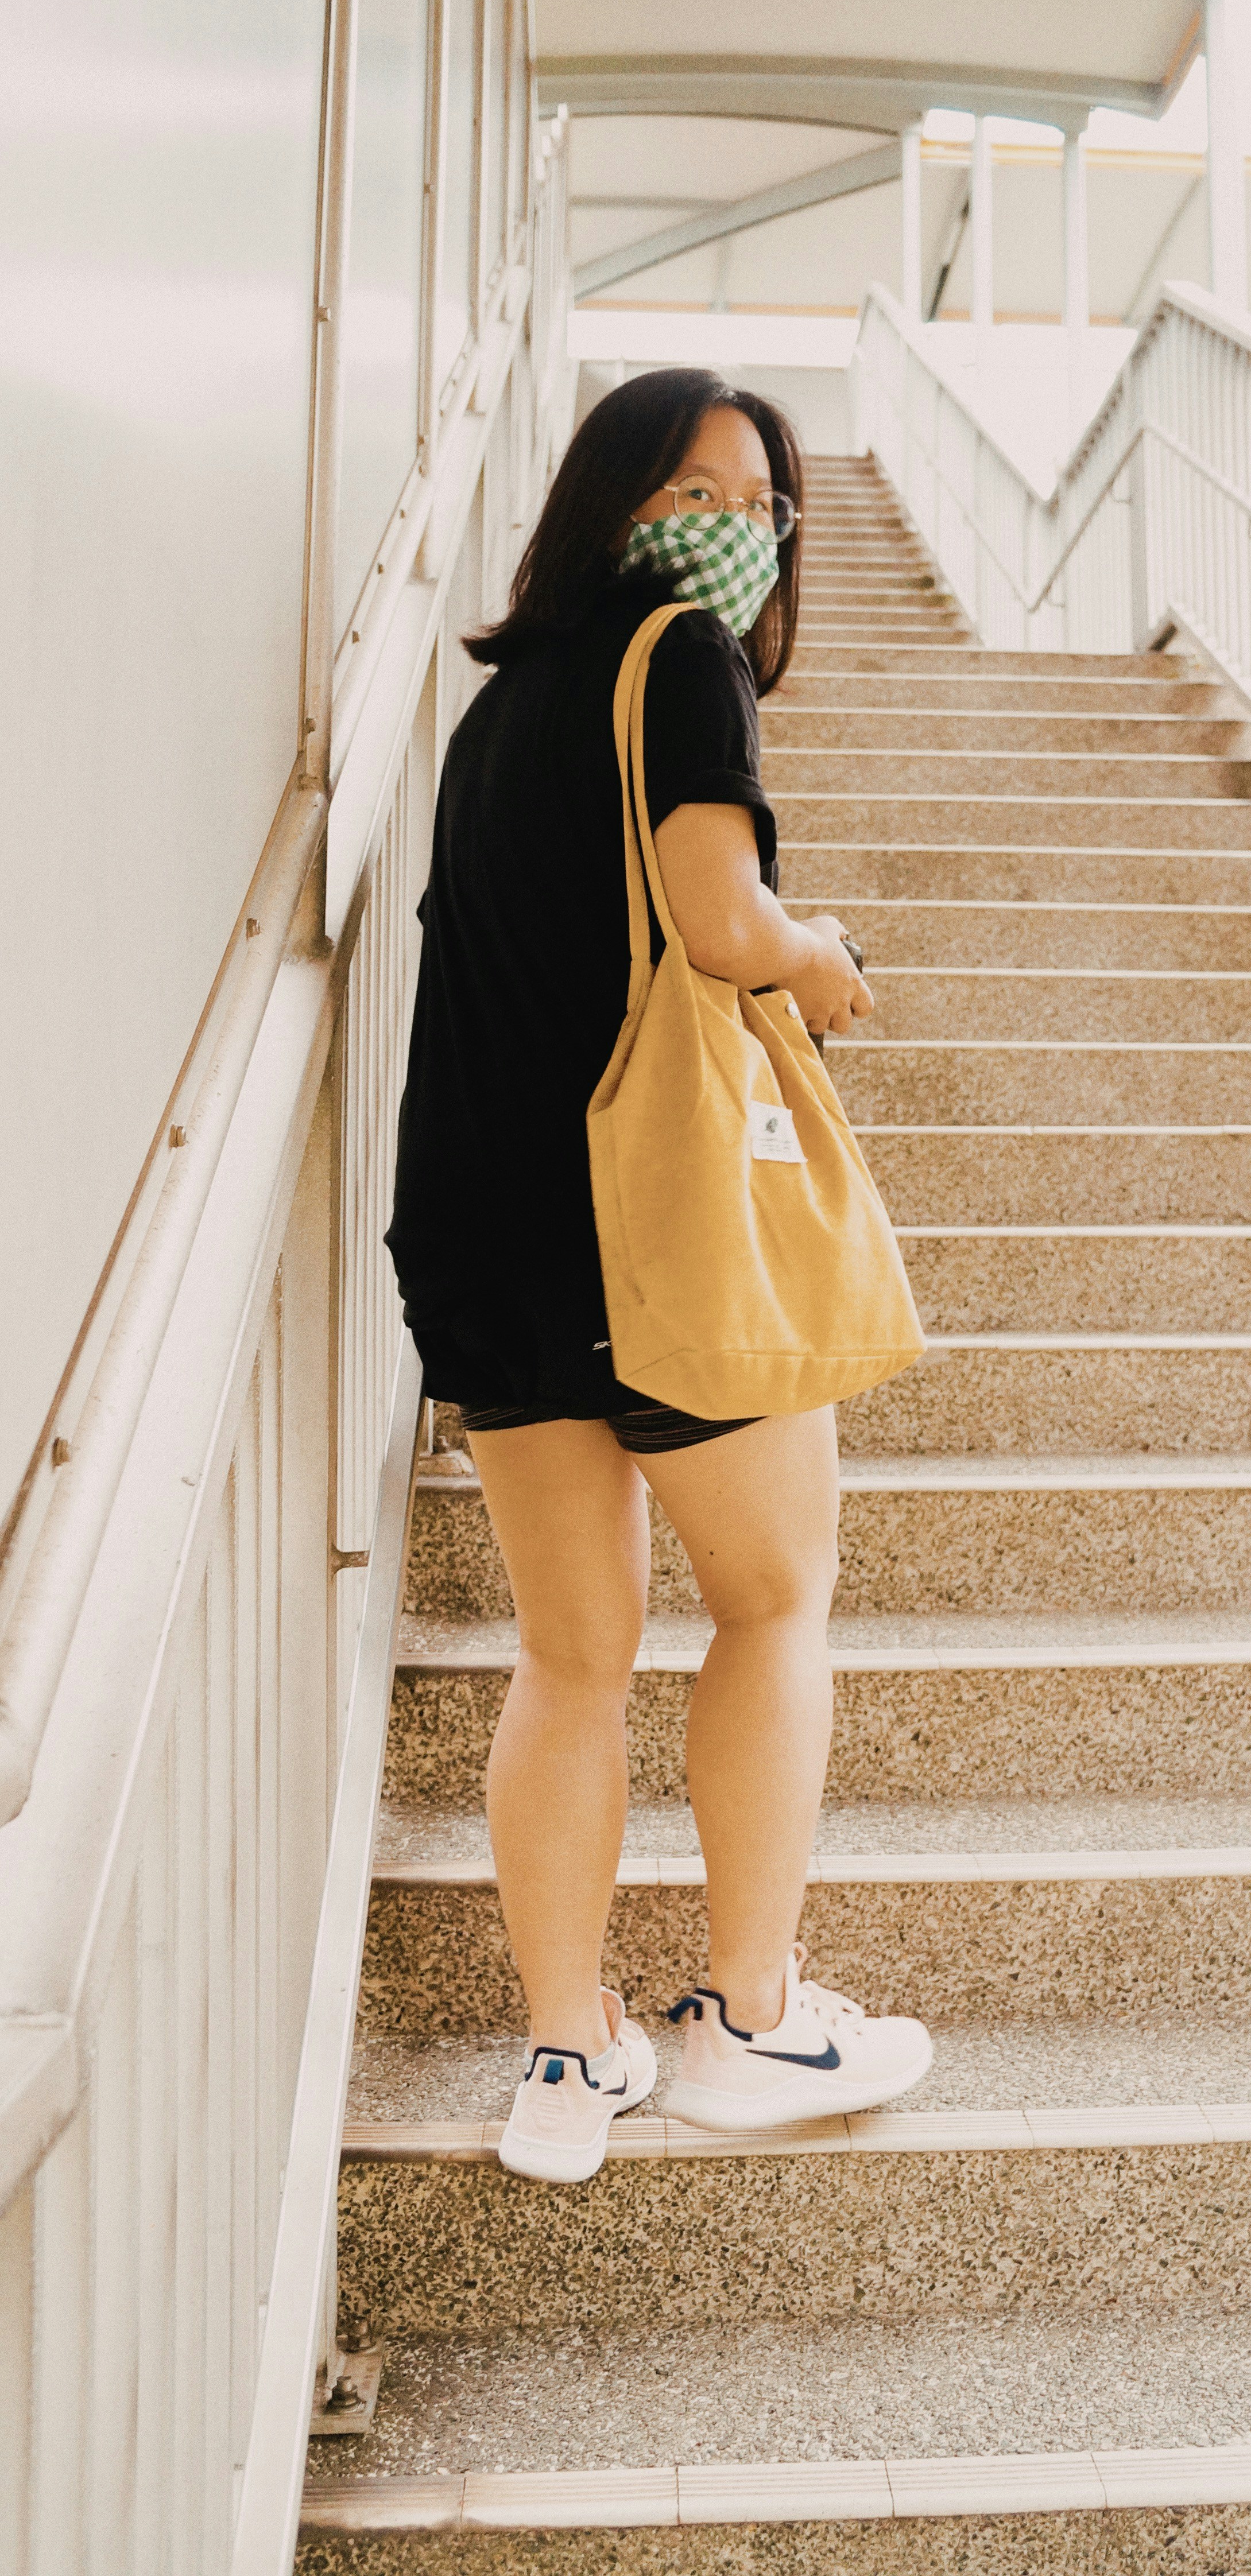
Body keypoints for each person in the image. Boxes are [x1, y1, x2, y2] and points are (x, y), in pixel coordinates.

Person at [386, 368, 932, 2184]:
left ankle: (570, 2050)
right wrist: (821, 958)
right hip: (656, 1232)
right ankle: (753, 2016)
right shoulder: (680, 662)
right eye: (695, 486)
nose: (737, 518)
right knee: (777, 1598)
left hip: (483, 1238)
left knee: (572, 1651)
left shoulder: (495, 709)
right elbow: (719, 923)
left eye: (764, 493)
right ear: (610, 505)